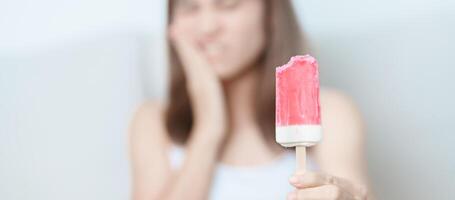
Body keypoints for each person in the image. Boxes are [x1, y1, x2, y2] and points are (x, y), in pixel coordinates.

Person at [129, 0, 371, 199]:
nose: (207, 27)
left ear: (270, 14)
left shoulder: (331, 111)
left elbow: (355, 191)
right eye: (190, 7)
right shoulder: (152, 122)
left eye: (228, 5)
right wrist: (209, 128)